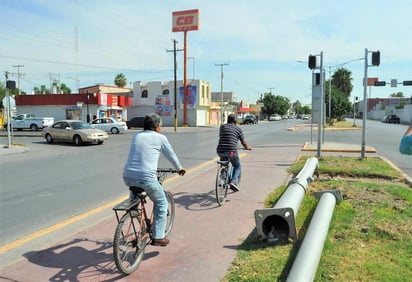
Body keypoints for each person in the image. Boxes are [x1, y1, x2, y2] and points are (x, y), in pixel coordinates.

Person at [122, 113, 186, 247]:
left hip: (128, 176)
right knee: (162, 203)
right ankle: (158, 237)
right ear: (157, 126)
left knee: (136, 193)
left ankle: (134, 211)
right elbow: (171, 155)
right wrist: (179, 168)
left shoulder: (137, 135)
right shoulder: (160, 138)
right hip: (146, 177)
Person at [216, 114, 252, 192]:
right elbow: (243, 142)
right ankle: (234, 182)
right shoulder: (238, 129)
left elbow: (223, 137)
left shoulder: (222, 127)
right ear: (235, 121)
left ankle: (223, 177)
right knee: (237, 166)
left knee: (223, 163)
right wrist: (247, 147)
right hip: (231, 151)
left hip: (220, 150)